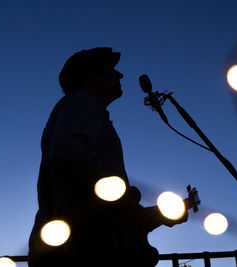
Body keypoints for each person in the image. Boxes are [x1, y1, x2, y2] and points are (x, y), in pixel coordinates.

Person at [28, 47, 188, 267]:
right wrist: (125, 204)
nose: (120, 75)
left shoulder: (83, 107)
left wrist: (150, 215)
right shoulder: (81, 102)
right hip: (85, 247)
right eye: (112, 69)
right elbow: (68, 152)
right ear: (90, 73)